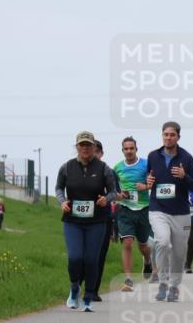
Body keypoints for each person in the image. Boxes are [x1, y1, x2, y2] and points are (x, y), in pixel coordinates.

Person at [56, 131, 117, 312]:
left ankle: (88, 296)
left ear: (93, 147)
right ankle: (75, 287)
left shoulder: (104, 168)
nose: (85, 148)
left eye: (88, 145)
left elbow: (113, 191)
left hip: (96, 221)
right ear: (77, 147)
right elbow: (59, 188)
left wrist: (106, 199)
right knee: (75, 257)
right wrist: (62, 202)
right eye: (82, 145)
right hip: (72, 220)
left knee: (91, 259)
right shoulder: (66, 167)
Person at [146, 122, 193, 303]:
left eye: (172, 135)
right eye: (165, 134)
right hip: (158, 209)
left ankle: (174, 287)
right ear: (162, 135)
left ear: (178, 137)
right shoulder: (153, 156)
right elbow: (148, 178)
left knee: (178, 253)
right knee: (162, 242)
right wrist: (148, 182)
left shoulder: (187, 158)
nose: (168, 138)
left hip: (180, 212)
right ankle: (162, 282)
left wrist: (184, 176)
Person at [113, 137, 154, 292]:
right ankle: (128, 279)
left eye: (131, 148)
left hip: (143, 209)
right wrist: (119, 195)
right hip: (125, 209)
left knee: (143, 245)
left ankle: (147, 261)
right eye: (126, 149)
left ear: (136, 149)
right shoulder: (117, 168)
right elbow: (113, 190)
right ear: (122, 150)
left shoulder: (146, 164)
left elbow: (154, 184)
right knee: (127, 242)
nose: (129, 151)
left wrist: (145, 187)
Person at [90, 141, 116, 301]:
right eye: (91, 151)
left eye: (96, 151)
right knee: (83, 255)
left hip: (104, 218)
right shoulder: (78, 171)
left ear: (101, 153)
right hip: (83, 219)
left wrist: (107, 198)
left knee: (100, 255)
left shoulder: (109, 172)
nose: (93, 154)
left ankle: (94, 290)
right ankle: (78, 285)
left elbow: (115, 193)